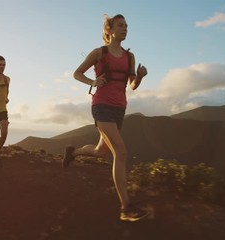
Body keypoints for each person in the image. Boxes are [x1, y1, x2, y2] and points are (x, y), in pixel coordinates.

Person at [63, 14, 148, 222]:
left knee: (101, 152)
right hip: (101, 107)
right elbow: (77, 73)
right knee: (121, 151)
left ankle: (73, 152)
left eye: (127, 26)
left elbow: (132, 85)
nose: (125, 28)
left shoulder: (130, 57)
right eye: (120, 25)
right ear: (109, 30)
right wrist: (92, 82)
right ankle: (125, 207)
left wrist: (140, 77)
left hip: (120, 109)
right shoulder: (99, 53)